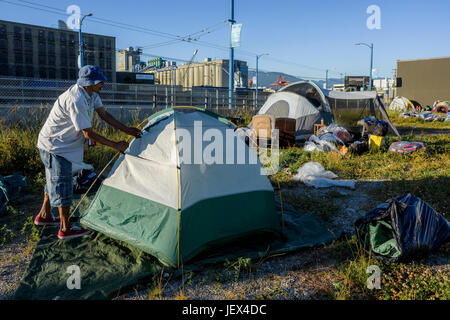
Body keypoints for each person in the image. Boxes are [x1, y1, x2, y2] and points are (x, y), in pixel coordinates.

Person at [34, 65, 141, 239]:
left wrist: (127, 130)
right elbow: (88, 133)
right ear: (88, 83)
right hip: (55, 147)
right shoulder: (75, 99)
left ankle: (44, 216)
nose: (103, 83)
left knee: (54, 179)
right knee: (62, 184)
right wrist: (116, 145)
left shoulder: (92, 95)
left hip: (64, 145)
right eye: (99, 81)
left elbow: (104, 115)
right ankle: (65, 228)